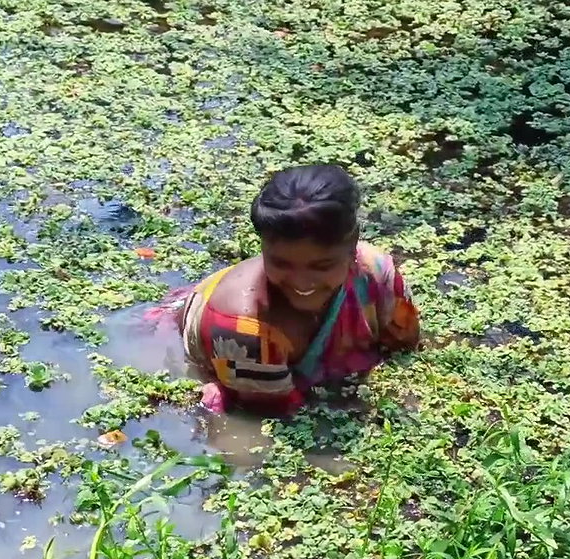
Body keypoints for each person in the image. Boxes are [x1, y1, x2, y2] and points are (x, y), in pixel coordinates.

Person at [155, 164, 420, 415]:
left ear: (352, 246)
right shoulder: (242, 328)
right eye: (280, 263)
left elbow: (406, 346)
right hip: (208, 326)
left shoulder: (376, 272)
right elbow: (277, 414)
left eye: (322, 266)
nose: (302, 283)